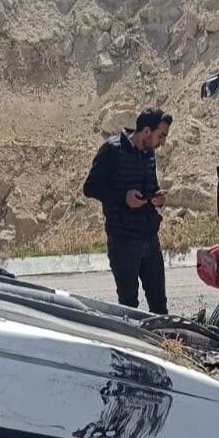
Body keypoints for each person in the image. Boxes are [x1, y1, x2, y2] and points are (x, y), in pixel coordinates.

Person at [82, 107, 171, 313]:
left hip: (149, 238)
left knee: (159, 304)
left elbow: (150, 187)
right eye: (161, 135)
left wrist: (156, 197)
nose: (163, 142)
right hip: (123, 240)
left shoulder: (149, 154)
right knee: (129, 307)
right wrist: (124, 198)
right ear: (147, 131)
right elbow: (90, 187)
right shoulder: (112, 150)